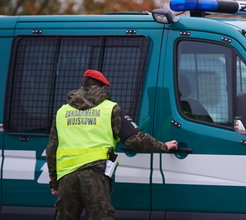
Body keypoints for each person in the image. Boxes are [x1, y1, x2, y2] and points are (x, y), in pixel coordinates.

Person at [46, 69, 178, 220]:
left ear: (82, 87)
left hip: (67, 177)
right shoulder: (109, 108)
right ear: (102, 88)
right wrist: (164, 146)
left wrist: (54, 183)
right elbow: (135, 139)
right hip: (95, 175)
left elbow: (51, 150)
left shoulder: (62, 111)